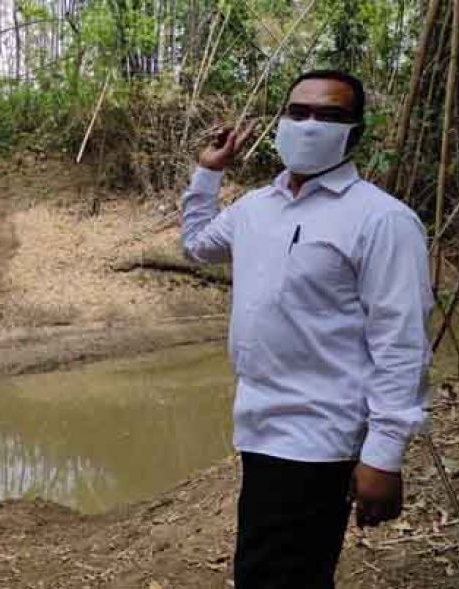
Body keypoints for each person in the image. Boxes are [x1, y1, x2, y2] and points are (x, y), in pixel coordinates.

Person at [180, 70, 433, 588]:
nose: (310, 125)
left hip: (321, 434)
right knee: (279, 571)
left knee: (275, 574)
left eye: (331, 116)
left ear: (355, 133)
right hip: (259, 424)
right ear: (280, 121)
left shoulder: (383, 221)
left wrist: (383, 455)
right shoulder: (255, 208)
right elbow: (198, 245)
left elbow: (401, 343)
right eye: (299, 113)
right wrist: (208, 175)